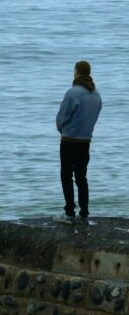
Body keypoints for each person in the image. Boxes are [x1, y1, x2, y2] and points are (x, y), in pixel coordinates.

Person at [54, 60, 102, 224]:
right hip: (85, 142)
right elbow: (94, 117)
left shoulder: (73, 93)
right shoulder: (96, 94)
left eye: (74, 70)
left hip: (69, 141)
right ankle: (84, 213)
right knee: (82, 177)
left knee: (66, 175)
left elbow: (62, 117)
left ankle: (69, 213)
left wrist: (62, 129)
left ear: (77, 72)